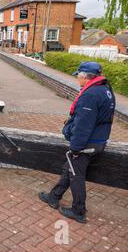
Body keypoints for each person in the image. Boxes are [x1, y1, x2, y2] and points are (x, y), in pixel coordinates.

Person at [39, 61, 116, 223]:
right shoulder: (106, 90)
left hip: (87, 144)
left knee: (76, 176)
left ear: (86, 77)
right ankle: (54, 197)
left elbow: (83, 125)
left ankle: (78, 211)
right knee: (70, 169)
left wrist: (75, 147)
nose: (77, 80)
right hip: (99, 139)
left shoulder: (90, 95)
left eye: (78, 77)